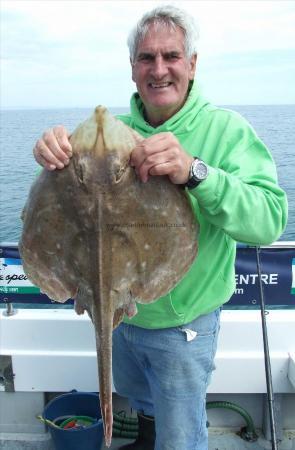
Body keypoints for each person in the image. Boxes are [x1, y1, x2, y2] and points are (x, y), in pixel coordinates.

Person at [33, 5, 288, 450]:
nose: (159, 69)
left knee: (181, 435)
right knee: (141, 402)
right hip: (116, 315)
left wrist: (196, 170)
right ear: (132, 69)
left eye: (171, 56)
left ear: (192, 64)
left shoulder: (226, 130)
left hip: (183, 329)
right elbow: (52, 216)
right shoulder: (118, 134)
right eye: (146, 58)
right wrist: (53, 158)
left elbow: (268, 220)